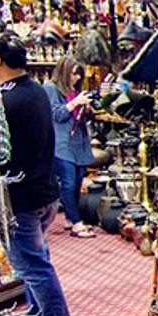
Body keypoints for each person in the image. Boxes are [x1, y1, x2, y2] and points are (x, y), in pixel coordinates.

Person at [0, 31, 78, 316]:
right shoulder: (34, 90)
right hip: (43, 190)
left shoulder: (5, 100)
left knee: (32, 266)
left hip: (22, 195)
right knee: (36, 260)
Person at [45, 55, 98, 238]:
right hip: (62, 142)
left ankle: (70, 217)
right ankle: (76, 223)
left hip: (78, 142)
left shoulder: (76, 90)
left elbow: (82, 117)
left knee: (77, 181)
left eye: (78, 75)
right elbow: (56, 115)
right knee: (68, 182)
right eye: (72, 74)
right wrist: (74, 103)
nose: (75, 78)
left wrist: (88, 109)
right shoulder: (51, 89)